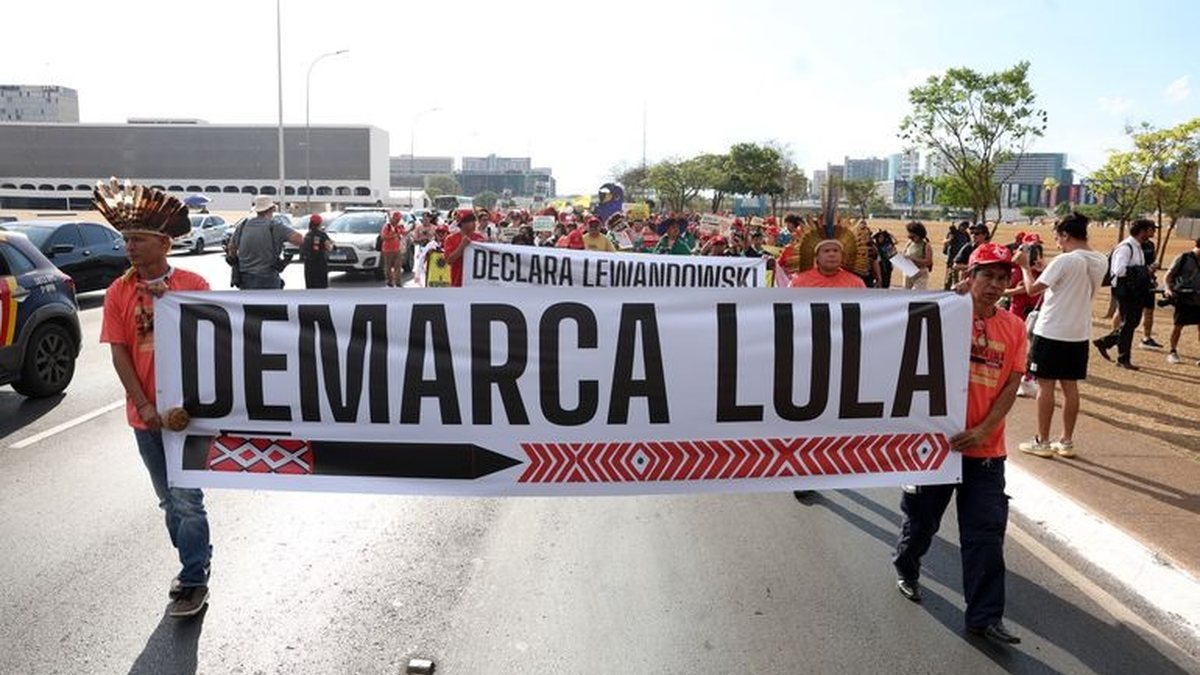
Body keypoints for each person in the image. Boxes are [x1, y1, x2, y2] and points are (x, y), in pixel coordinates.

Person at [892, 242, 1027, 646]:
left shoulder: (1015, 328)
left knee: (985, 535)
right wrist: (939, 307)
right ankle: (907, 566)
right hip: (935, 451)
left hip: (986, 453)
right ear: (969, 276)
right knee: (921, 524)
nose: (995, 285)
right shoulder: (943, 315)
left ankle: (985, 617)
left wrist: (985, 429)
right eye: (987, 275)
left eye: (1003, 278)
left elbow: (1013, 382)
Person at [97, 185, 212, 619]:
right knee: (169, 501)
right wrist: (144, 405)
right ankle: (195, 558)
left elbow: (215, 342)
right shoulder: (117, 292)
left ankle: (193, 576)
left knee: (187, 500)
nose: (129, 246)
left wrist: (178, 306)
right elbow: (119, 352)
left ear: (163, 243)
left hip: (188, 418)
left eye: (138, 239)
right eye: (126, 239)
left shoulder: (193, 285)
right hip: (144, 418)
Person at [1013, 212, 1108, 458]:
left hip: (1052, 330)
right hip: (1078, 332)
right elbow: (1072, 281)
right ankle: (1066, 441)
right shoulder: (1099, 260)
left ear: (1065, 235)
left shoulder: (1065, 261)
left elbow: (1032, 290)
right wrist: (1045, 269)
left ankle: (1042, 440)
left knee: (1046, 386)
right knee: (1070, 387)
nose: (1057, 243)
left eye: (1057, 238)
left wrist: (1025, 267)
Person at [1093, 219, 1157, 369]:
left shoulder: (1138, 247)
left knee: (1132, 323)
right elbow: (1119, 271)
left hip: (1134, 291)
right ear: (1143, 231)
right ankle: (1123, 359)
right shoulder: (1126, 247)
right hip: (1126, 291)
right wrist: (1144, 270)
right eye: (1151, 229)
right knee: (1128, 324)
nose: (1154, 232)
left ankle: (1104, 342)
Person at [227, 196, 303, 289]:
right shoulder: (275, 226)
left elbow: (232, 247)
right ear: (272, 209)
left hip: (245, 279)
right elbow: (299, 239)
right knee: (270, 303)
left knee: (248, 303)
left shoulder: (243, 225)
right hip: (268, 278)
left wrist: (235, 260)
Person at [1164, 237, 1200, 365]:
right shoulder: (1184, 258)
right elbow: (1169, 275)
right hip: (1185, 299)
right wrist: (1168, 289)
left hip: (1199, 299)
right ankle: (1172, 352)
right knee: (1178, 326)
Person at [443, 209, 486, 287]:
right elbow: (449, 260)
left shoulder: (480, 238)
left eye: (474, 220)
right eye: (470, 221)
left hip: (477, 283)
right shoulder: (450, 239)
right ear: (462, 224)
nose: (474, 223)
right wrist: (461, 247)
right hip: (458, 283)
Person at [300, 214, 333, 289]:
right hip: (320, 265)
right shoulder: (322, 235)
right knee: (321, 288)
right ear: (320, 223)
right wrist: (332, 244)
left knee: (310, 287)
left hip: (309, 265)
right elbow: (329, 247)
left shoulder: (307, 235)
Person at [902, 221, 933, 289]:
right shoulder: (909, 243)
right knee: (905, 294)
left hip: (920, 273)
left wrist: (913, 259)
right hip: (908, 271)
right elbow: (904, 254)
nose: (911, 238)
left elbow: (929, 261)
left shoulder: (926, 245)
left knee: (918, 294)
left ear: (919, 235)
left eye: (913, 236)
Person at [380, 211, 406, 287]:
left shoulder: (399, 226)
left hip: (397, 249)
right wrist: (393, 236)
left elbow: (403, 233)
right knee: (388, 267)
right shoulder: (387, 226)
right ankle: (389, 282)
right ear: (393, 218)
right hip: (388, 250)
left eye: (399, 219)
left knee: (398, 266)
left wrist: (410, 229)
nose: (398, 220)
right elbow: (383, 237)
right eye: (396, 219)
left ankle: (398, 282)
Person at [942, 221, 971, 289]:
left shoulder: (966, 234)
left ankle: (956, 288)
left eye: (966, 227)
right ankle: (947, 288)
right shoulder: (953, 233)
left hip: (961, 258)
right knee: (950, 274)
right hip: (952, 256)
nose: (964, 228)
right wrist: (950, 239)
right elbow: (945, 241)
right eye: (963, 226)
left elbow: (969, 244)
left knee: (959, 275)